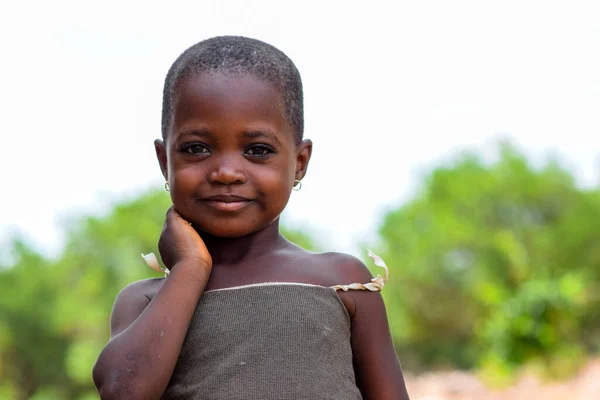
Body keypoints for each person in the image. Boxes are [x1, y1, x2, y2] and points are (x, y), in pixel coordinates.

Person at [92, 36, 410, 400]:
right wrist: (190, 269)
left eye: (258, 150)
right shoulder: (146, 301)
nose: (227, 172)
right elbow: (121, 393)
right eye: (197, 148)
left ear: (299, 163)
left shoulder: (342, 282)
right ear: (165, 161)